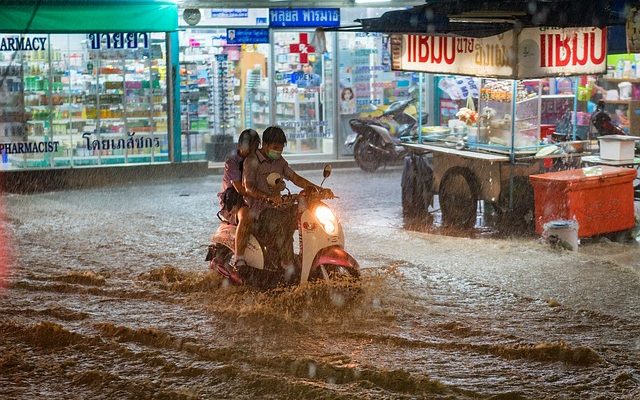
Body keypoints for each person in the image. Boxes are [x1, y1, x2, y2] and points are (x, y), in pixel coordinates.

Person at [232, 126, 327, 269]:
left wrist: (318, 189)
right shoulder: (251, 161)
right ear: (265, 144)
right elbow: (248, 187)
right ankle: (286, 263)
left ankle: (306, 257)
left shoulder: (279, 161)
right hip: (259, 211)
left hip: (277, 207)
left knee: (307, 216)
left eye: (281, 149)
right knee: (282, 222)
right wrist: (267, 197)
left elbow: (295, 178)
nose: (278, 152)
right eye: (275, 147)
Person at [217, 129, 260, 226]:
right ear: (240, 145)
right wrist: (264, 196)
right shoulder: (232, 162)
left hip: (252, 197)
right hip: (233, 201)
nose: (252, 152)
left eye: (255, 148)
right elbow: (240, 189)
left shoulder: (256, 159)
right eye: (249, 148)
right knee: (245, 216)